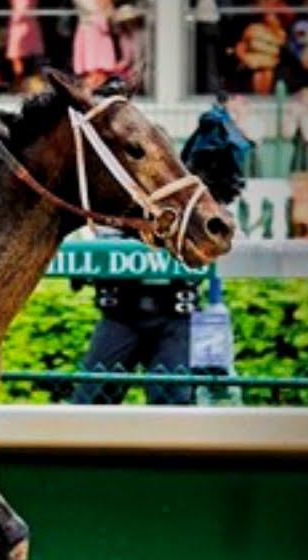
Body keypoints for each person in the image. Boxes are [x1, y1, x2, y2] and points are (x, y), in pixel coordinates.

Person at [71, 95, 253, 406]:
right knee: (90, 401)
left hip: (175, 315)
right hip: (120, 313)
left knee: (174, 405)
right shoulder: (123, 195)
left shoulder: (188, 200)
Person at [5, 0, 44, 87]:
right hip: (17, 22)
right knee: (16, 55)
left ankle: (36, 83)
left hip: (29, 22)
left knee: (34, 55)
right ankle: (19, 82)